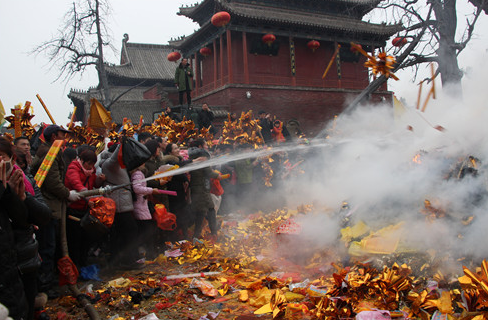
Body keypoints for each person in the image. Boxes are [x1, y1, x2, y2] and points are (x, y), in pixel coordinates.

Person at [31, 124, 81, 293]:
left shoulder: (49, 150)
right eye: (62, 135)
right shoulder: (49, 153)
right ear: (54, 137)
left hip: (50, 204)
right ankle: (44, 286)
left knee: (50, 245)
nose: (65, 138)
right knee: (47, 246)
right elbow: (52, 182)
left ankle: (46, 282)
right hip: (47, 205)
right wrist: (67, 194)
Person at [64, 149, 105, 268]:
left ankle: (83, 264)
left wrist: (100, 180)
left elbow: (94, 185)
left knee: (85, 239)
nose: (91, 166)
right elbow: (77, 185)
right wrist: (88, 199)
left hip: (85, 209)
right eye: (89, 163)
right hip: (74, 209)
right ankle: (75, 267)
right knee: (75, 240)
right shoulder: (73, 168)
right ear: (82, 160)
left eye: (93, 164)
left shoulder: (90, 171)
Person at [130, 162, 160, 260]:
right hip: (140, 206)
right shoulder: (138, 174)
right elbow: (137, 188)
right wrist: (151, 190)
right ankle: (149, 254)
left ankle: (147, 253)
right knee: (147, 231)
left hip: (141, 204)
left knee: (145, 231)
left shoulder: (138, 173)